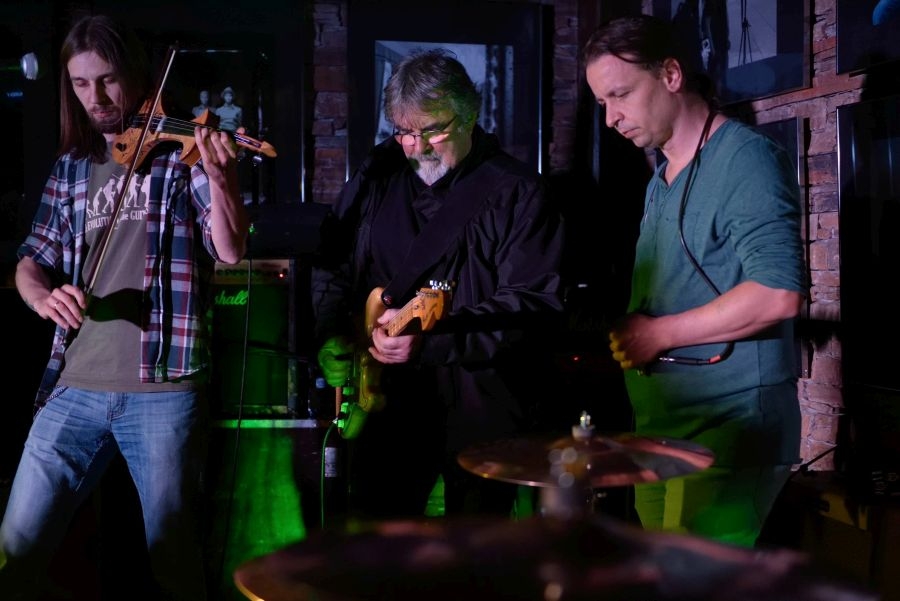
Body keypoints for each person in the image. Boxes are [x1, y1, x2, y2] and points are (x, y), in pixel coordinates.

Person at [0, 14, 247, 601]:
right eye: (81, 84)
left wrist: (221, 179)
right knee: (16, 548)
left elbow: (230, 250)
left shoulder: (181, 155)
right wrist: (41, 295)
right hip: (73, 385)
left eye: (107, 80)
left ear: (134, 75)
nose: (97, 98)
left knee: (174, 560)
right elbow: (31, 258)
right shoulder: (73, 165)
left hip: (164, 387)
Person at [311, 48, 564, 522]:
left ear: (469, 115)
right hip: (386, 404)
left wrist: (432, 343)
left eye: (433, 130)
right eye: (404, 132)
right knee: (378, 542)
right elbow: (334, 263)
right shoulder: (378, 173)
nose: (418, 147)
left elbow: (531, 305)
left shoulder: (517, 192)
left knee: (476, 550)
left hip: (480, 406)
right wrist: (331, 334)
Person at [583, 15, 806, 547]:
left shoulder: (745, 159)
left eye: (621, 95)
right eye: (602, 104)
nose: (611, 118)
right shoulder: (660, 178)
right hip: (662, 424)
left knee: (693, 579)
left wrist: (658, 334)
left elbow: (778, 293)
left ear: (671, 75)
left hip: (730, 423)